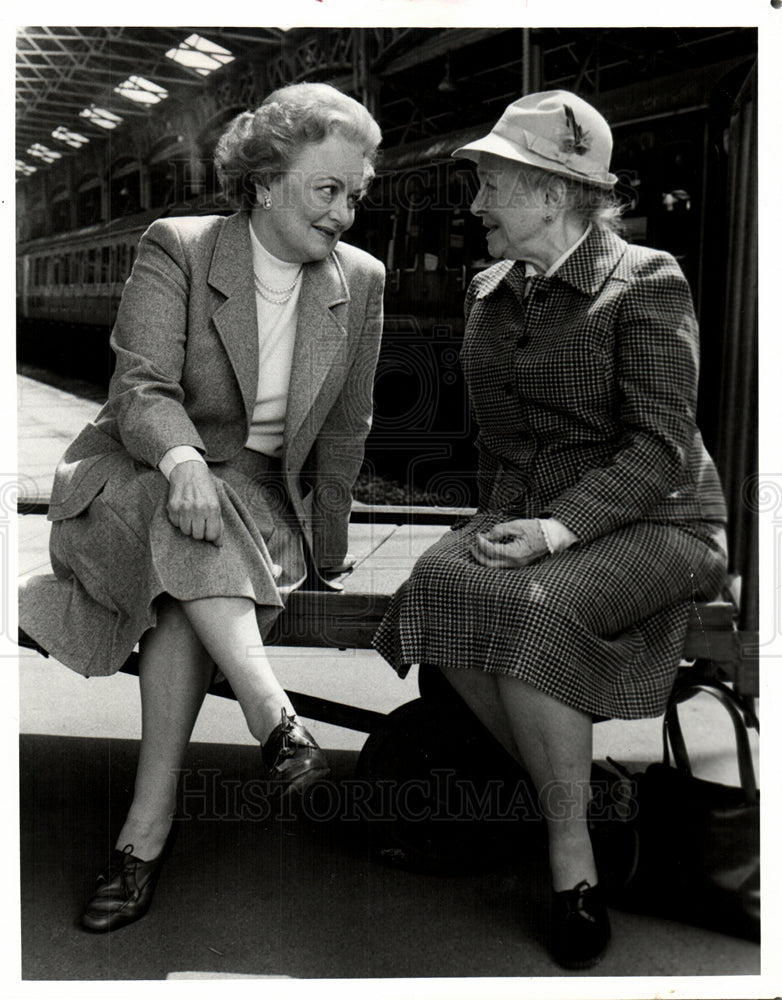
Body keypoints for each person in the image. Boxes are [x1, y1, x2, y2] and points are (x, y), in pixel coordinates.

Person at [373, 90, 727, 970]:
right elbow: (507, 438)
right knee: (441, 588)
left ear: (556, 193)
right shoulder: (490, 288)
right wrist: (513, 522)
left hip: (660, 518)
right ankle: (596, 800)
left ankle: (573, 866)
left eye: (493, 181)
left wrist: (553, 531)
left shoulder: (647, 279)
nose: (477, 201)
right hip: (535, 512)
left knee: (528, 610)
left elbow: (659, 449)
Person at [19, 82, 385, 933]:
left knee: (191, 590)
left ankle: (142, 840)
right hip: (135, 479)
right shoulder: (179, 246)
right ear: (263, 181)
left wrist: (325, 548)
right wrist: (182, 456)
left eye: (356, 195)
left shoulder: (358, 280)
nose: (345, 216)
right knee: (185, 517)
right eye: (327, 190)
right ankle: (274, 716)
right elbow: (141, 388)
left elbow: (345, 426)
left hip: (258, 508)